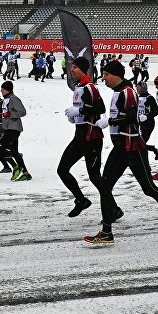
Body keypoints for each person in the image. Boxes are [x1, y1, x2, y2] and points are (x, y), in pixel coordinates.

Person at [84, 59, 158, 245]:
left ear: (116, 75)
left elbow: (131, 117)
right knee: (105, 187)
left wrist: (110, 122)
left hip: (133, 147)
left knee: (148, 189)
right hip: (120, 147)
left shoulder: (128, 92)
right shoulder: (117, 92)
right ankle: (107, 232)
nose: (103, 78)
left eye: (106, 75)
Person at [58, 57, 105, 217]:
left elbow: (100, 107)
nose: (72, 70)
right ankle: (81, 200)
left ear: (83, 69)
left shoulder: (90, 87)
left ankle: (113, 209)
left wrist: (79, 111)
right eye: (71, 68)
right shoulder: (78, 87)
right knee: (62, 170)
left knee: (95, 178)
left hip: (92, 138)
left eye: (75, 68)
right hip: (79, 136)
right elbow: (83, 108)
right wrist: (75, 117)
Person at [0, 81, 31, 181]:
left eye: (2, 89)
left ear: (7, 89)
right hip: (9, 128)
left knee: (0, 147)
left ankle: (16, 167)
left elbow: (22, 112)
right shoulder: (7, 99)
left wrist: (10, 114)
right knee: (14, 152)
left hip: (14, 128)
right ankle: (26, 173)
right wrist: (0, 116)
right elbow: (6, 113)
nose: (1, 91)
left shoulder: (14, 99)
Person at [136, 81, 158, 158]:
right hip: (139, 124)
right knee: (139, 143)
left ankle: (145, 165)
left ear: (142, 88)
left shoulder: (149, 98)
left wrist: (146, 116)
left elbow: (156, 111)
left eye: (138, 87)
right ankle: (153, 149)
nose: (136, 89)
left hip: (148, 124)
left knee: (141, 144)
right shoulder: (137, 97)